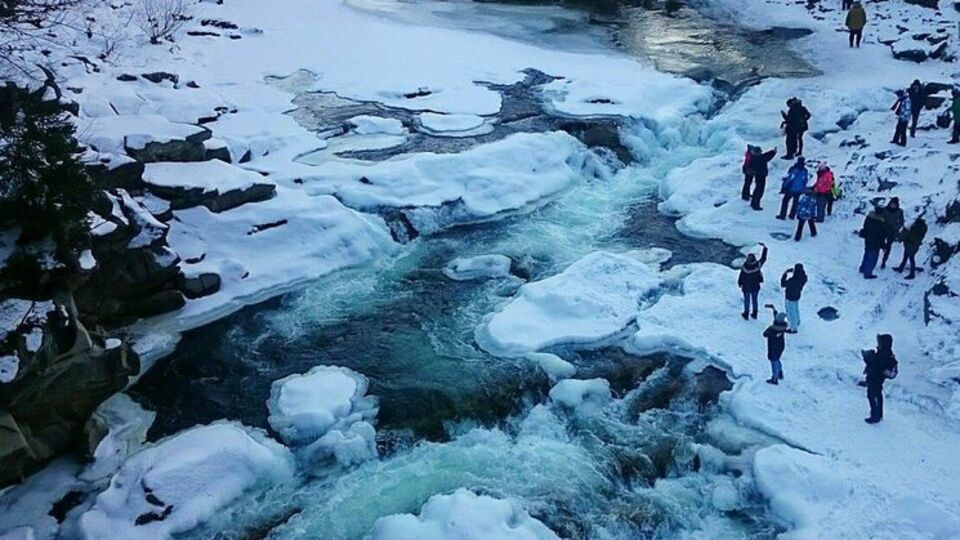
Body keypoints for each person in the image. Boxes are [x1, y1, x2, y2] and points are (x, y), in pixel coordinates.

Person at [863, 334, 898, 424]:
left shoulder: (884, 354)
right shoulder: (885, 352)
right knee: (877, 394)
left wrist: (869, 358)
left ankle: (875, 416)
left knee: (872, 395)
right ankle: (879, 414)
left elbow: (877, 365)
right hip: (876, 378)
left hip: (876, 378)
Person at [741, 145, 777, 210]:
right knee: (759, 191)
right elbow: (767, 157)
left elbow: (765, 155)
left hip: (758, 176)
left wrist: (772, 151)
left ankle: (752, 202)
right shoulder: (760, 159)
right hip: (761, 176)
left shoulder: (754, 157)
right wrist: (773, 152)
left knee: (756, 189)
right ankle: (755, 205)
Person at [738, 243, 768, 320]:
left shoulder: (744, 266)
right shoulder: (757, 265)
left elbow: (741, 275)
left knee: (747, 300)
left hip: (746, 286)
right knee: (755, 300)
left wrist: (740, 283)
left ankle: (746, 314)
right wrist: (765, 248)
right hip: (755, 286)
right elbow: (763, 258)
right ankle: (755, 314)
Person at [763, 308, 790, 385]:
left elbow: (765, 334)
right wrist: (774, 311)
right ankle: (780, 373)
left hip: (773, 347)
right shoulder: (782, 327)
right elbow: (776, 319)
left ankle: (774, 379)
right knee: (777, 359)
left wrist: (769, 328)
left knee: (774, 361)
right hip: (780, 346)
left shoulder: (773, 330)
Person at [859, 209, 887, 279]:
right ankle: (868, 273)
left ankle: (863, 268)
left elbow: (865, 227)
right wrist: (883, 246)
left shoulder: (869, 218)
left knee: (867, 255)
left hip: (868, 240)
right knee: (872, 259)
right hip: (875, 243)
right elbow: (881, 236)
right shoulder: (880, 223)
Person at [879, 197, 905, 269]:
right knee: (880, 243)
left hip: (892, 231)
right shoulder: (885, 210)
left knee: (888, 246)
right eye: (892, 204)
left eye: (894, 204)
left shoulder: (900, 211)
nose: (893, 205)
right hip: (883, 230)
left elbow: (901, 222)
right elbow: (880, 218)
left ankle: (884, 261)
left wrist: (896, 227)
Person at [780, 264, 807, 332]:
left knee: (791, 312)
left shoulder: (792, 280)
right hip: (797, 295)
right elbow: (799, 273)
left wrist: (784, 274)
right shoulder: (804, 277)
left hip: (790, 297)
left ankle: (793, 328)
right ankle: (797, 321)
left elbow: (783, 284)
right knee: (796, 309)